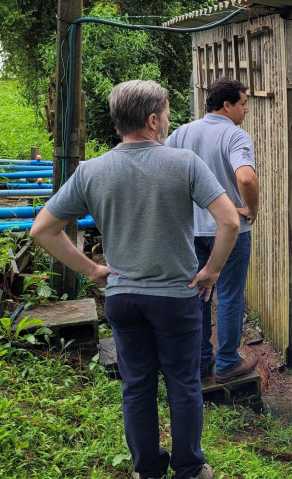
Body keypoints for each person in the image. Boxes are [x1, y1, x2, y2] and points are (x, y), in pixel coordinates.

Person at [30, 80, 240, 479]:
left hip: (123, 298)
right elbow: (229, 220)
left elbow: (42, 229)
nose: (168, 120)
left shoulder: (91, 170)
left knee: (137, 386)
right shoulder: (184, 163)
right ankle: (190, 469)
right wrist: (211, 271)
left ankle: (147, 470)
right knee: (183, 384)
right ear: (152, 120)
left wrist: (93, 270)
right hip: (177, 298)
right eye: (165, 113)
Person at [165, 76, 259, 383]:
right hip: (229, 231)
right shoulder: (236, 136)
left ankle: (202, 359)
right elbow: (245, 178)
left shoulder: (181, 133)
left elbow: (164, 171)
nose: (246, 111)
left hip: (192, 231)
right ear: (228, 105)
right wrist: (251, 209)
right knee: (230, 296)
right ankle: (227, 363)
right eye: (244, 104)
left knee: (199, 293)